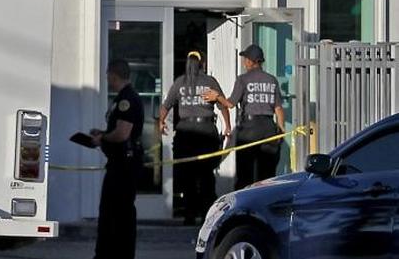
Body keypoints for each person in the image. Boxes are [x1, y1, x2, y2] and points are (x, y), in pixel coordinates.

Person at [158, 51, 231, 224]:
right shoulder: (209, 81)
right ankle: (209, 217)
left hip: (185, 133)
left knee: (187, 176)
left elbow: (166, 105)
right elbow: (223, 106)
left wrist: (161, 122)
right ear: (202, 63)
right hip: (206, 131)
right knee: (206, 175)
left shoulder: (180, 83)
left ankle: (189, 216)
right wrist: (227, 126)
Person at [202, 44, 285, 190]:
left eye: (245, 58)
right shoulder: (272, 80)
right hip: (268, 128)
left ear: (251, 61)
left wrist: (217, 96)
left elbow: (230, 104)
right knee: (267, 175)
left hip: (248, 130)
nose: (243, 61)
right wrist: (281, 130)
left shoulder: (243, 79)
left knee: (245, 174)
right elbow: (278, 108)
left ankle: (243, 207)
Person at [90, 58, 144, 259]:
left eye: (107, 75)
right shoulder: (123, 97)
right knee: (111, 211)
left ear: (113, 74)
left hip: (124, 164)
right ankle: (107, 253)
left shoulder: (126, 99)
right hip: (119, 162)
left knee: (118, 212)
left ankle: (116, 254)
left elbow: (122, 133)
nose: (107, 79)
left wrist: (101, 138)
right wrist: (103, 133)